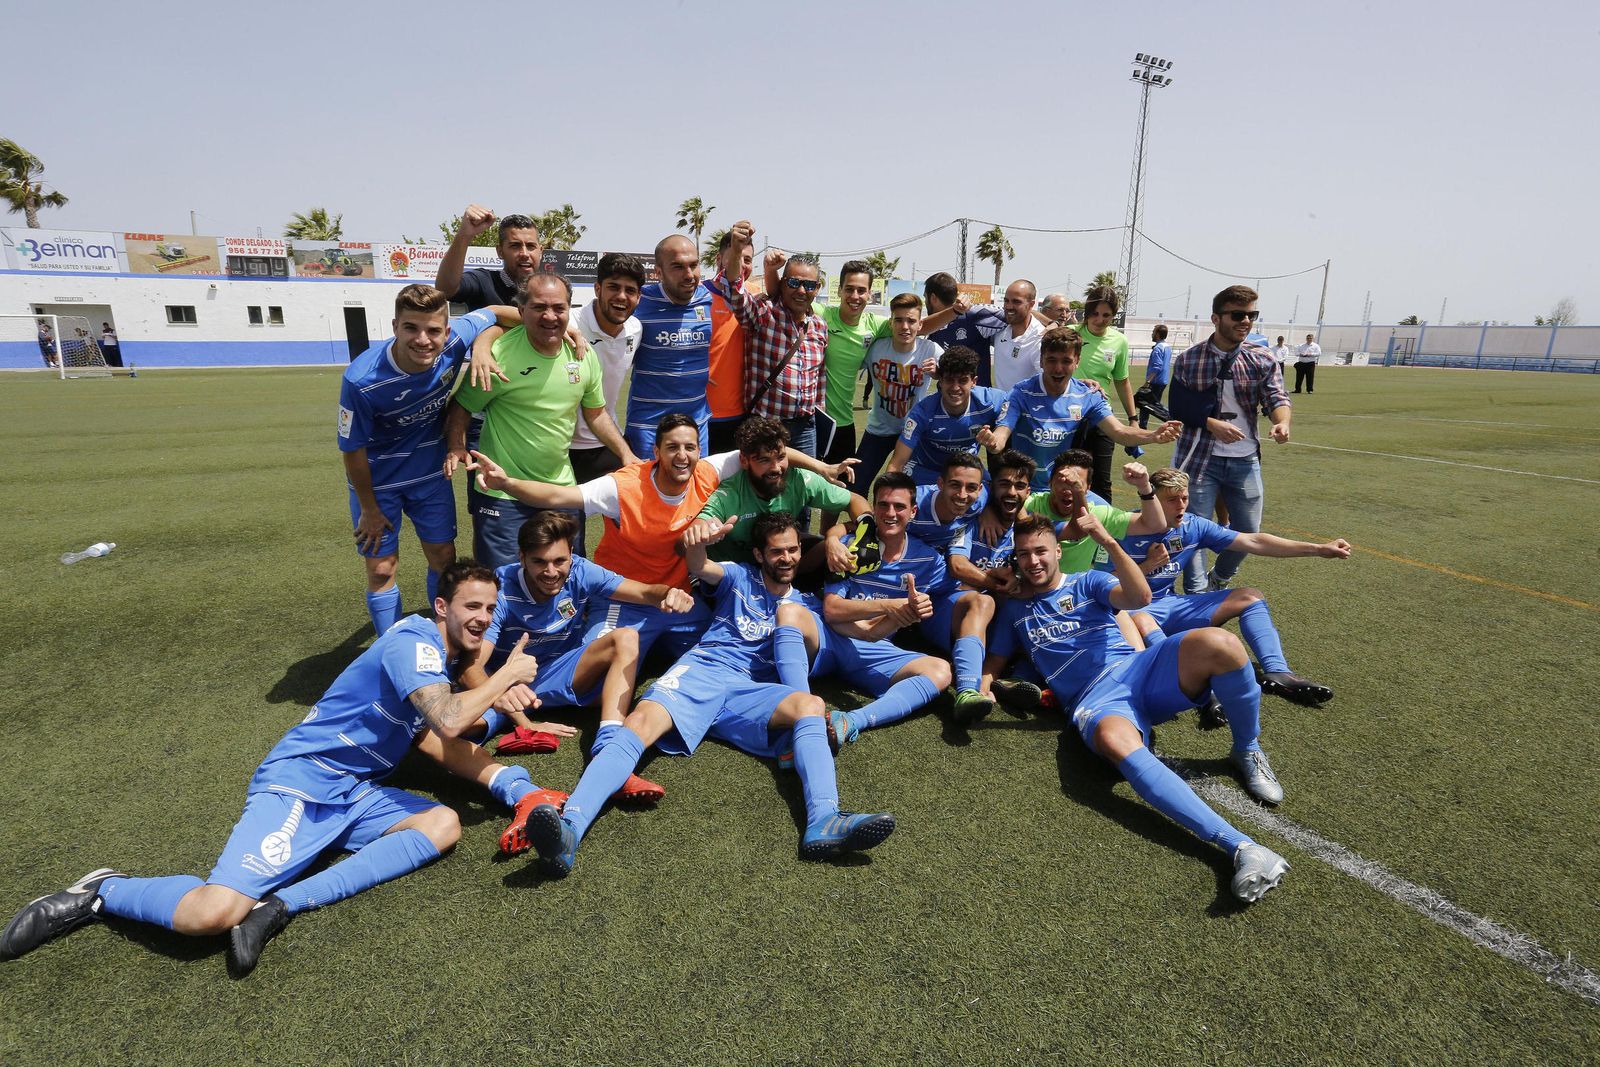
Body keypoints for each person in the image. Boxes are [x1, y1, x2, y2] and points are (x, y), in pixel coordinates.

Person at [0, 562, 566, 975]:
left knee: (441, 825)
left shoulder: (434, 661)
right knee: (213, 912)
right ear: (442, 607)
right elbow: (446, 720)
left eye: (490, 609)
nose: (482, 618)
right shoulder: (413, 640)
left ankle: (282, 904)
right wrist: (504, 677)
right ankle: (104, 892)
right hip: (303, 780)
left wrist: (510, 783)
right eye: (472, 606)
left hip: (355, 790)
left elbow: (439, 740)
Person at [520, 512, 898, 876]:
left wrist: (899, 612)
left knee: (811, 704)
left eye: (793, 550)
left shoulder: (805, 605)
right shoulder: (738, 576)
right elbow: (700, 566)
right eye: (777, 551)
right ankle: (570, 827)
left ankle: (825, 820)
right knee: (639, 722)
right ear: (759, 555)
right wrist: (699, 543)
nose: (787, 558)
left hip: (750, 691)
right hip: (704, 670)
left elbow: (863, 632)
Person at [986, 514, 1292, 904]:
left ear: (1057, 551)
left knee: (1222, 644)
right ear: (1016, 559)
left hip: (1138, 668)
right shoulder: (1014, 610)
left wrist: (1109, 542)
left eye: (1041, 551)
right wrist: (982, 691)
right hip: (1094, 700)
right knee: (1114, 741)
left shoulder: (1088, 581)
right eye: (1024, 554)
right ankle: (1244, 849)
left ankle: (1246, 748)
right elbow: (993, 664)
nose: (1033, 561)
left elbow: (1139, 599)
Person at [464, 413, 850, 665]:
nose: (682, 456)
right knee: (597, 667)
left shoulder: (709, 470)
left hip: (679, 597)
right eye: (672, 448)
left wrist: (822, 467)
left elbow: (771, 451)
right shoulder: (623, 487)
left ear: (700, 450)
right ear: (656, 452)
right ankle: (508, 675)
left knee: (728, 651)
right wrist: (507, 484)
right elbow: (558, 497)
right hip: (624, 597)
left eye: (690, 447)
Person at [462, 511, 695, 838]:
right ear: (521, 559)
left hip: (564, 669)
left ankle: (609, 750)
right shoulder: (500, 591)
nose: (551, 571)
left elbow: (642, 592)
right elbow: (471, 666)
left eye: (560, 561)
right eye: (539, 562)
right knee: (459, 730)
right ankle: (520, 792)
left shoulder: (580, 572)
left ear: (572, 555)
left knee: (625, 637)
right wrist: (516, 714)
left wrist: (666, 593)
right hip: (509, 684)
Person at [338, 284, 515, 635]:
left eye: (433, 330)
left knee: (443, 559)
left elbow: (501, 312)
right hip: (378, 484)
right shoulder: (361, 380)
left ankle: (441, 638)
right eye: (411, 328)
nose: (423, 339)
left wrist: (482, 345)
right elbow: (352, 450)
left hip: (430, 477)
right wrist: (370, 509)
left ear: (447, 331)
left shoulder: (455, 341)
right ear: (394, 327)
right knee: (381, 569)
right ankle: (389, 646)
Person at [1110, 466, 1351, 708]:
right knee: (1141, 618)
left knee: (1250, 597)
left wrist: (1319, 549)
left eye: (1184, 498)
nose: (1181, 505)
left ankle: (1277, 671)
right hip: (1133, 612)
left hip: (1173, 605)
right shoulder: (1124, 529)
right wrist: (1146, 567)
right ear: (1151, 500)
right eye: (1172, 500)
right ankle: (1198, 689)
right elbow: (1098, 585)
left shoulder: (1193, 526)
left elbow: (1253, 541)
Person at [445, 272, 638, 566]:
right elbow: (461, 405)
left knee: (566, 576)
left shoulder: (582, 355)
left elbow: (596, 414)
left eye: (559, 308)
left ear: (569, 311)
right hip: (502, 490)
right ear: (522, 311)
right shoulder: (499, 354)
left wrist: (626, 454)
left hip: (559, 490)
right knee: (502, 580)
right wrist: (456, 444)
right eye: (539, 307)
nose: (550, 316)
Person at [850, 463, 1003, 722]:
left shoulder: (978, 501)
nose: (963, 495)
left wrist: (986, 511)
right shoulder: (907, 500)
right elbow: (853, 527)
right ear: (940, 484)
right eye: (955, 485)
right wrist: (831, 540)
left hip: (928, 582)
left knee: (983, 602)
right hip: (881, 597)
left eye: (971, 488)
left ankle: (967, 691)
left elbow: (952, 574)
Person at [1170, 285, 1292, 594]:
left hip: (1244, 458)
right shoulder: (1189, 359)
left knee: (1249, 530)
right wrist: (1211, 424)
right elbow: (1179, 407)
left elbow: (1277, 398)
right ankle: (1196, 595)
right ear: (1216, 318)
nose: (1246, 321)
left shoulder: (1262, 359)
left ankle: (1220, 577)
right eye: (1238, 315)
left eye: (1252, 315)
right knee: (1192, 529)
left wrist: (1282, 423)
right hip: (1198, 457)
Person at [981, 326, 1181, 491]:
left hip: (1062, 490)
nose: (1058, 368)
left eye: (1066, 361)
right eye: (1051, 360)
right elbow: (1001, 435)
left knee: (1103, 520)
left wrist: (1153, 435)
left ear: (1077, 361)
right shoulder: (1021, 392)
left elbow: (1119, 432)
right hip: (1023, 490)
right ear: (1041, 360)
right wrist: (992, 442)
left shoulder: (1088, 395)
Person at [693, 416, 868, 576]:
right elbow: (697, 528)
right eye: (764, 460)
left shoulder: (799, 480)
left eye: (781, 457)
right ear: (744, 461)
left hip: (783, 571)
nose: (776, 468)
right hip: (735, 579)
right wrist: (701, 531)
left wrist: (849, 535)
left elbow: (854, 500)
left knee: (848, 542)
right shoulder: (729, 495)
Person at [714, 221, 829, 459]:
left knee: (804, 489)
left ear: (817, 288)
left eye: (809, 285)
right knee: (764, 487)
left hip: (805, 427)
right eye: (794, 283)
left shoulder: (819, 326)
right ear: (783, 283)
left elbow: (819, 379)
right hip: (765, 424)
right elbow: (735, 292)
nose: (801, 291)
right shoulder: (764, 313)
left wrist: (819, 414)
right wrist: (736, 250)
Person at [560, 253, 647, 484]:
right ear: (597, 288)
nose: (621, 296)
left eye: (630, 290)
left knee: (628, 517)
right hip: (562, 448)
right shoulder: (569, 322)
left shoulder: (635, 329)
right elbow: (519, 315)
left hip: (607, 442)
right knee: (565, 520)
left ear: (639, 297)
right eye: (613, 287)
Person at [626, 234, 716, 454]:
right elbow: (594, 319)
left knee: (696, 487)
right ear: (658, 272)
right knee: (648, 487)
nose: (689, 275)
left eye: (693, 265)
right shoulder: (639, 301)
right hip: (649, 426)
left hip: (696, 425)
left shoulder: (705, 296)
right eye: (678, 267)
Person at [1022, 450, 1171, 573]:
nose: (1069, 489)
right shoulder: (1031, 506)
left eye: (1077, 483)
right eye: (1062, 481)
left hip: (1075, 594)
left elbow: (1155, 525)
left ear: (1088, 488)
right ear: (1050, 483)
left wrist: (1144, 487)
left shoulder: (1098, 514)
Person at [853, 293, 942, 487]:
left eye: (911, 321)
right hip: (878, 430)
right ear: (890, 322)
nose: (905, 327)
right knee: (857, 484)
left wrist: (939, 373)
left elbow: (958, 377)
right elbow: (846, 365)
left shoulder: (930, 349)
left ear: (920, 325)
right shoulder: (876, 348)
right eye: (899, 320)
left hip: (912, 431)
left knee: (910, 487)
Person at [887, 346, 1008, 486]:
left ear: (974, 381)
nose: (955, 387)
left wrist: (995, 442)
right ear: (941, 381)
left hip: (965, 471)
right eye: (950, 380)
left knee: (995, 499)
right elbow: (896, 464)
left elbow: (1016, 403)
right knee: (913, 502)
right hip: (925, 470)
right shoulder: (923, 412)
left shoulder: (991, 402)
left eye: (963, 380)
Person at [1072, 285, 1139, 501]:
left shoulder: (1119, 341)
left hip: (1101, 417)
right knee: (1067, 476)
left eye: (1106, 315)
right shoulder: (1070, 334)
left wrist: (1133, 419)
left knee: (1101, 481)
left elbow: (1122, 382)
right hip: (1067, 416)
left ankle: (1103, 531)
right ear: (1087, 312)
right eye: (1095, 313)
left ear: (1114, 315)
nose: (1099, 319)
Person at [433, 205, 542, 311]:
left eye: (531, 246)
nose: (524, 254)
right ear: (500, 252)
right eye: (515, 246)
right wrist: (464, 235)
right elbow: (445, 289)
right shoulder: (483, 281)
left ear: (541, 251)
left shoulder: (552, 289)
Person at [707, 231, 755, 455]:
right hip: (702, 414)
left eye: (747, 259)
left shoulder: (755, 296)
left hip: (743, 413)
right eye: (736, 256)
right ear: (719, 259)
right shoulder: (697, 295)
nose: (742, 264)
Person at [923, 271, 1008, 387]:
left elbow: (1016, 314)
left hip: (978, 400)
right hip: (947, 400)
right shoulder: (930, 327)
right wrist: (936, 372)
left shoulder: (975, 314)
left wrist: (1042, 322)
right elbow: (942, 372)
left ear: (933, 298)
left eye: (925, 297)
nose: (925, 301)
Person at [989, 279, 1046, 393]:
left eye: (1016, 302)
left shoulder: (1040, 337)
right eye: (1006, 301)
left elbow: (1048, 379)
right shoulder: (999, 325)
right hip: (999, 407)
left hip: (1025, 408)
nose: (1009, 306)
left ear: (1031, 304)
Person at [1138, 323, 1172, 430]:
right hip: (1163, 380)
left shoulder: (1158, 348)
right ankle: (1142, 426)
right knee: (1149, 403)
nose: (1152, 334)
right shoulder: (1167, 347)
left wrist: (1148, 381)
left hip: (1156, 381)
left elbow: (1157, 366)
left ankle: (1172, 418)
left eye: (1153, 332)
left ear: (1157, 334)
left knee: (1149, 404)